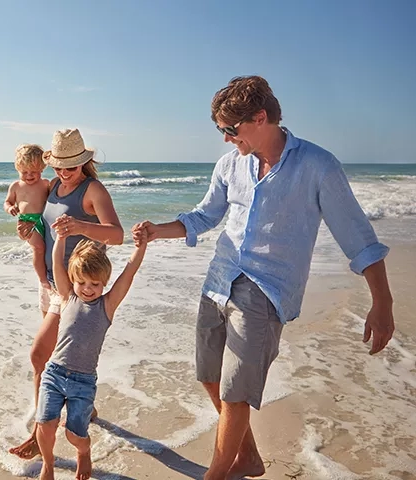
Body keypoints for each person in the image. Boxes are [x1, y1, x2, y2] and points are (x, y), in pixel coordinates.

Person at [133, 75, 396, 480]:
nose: (224, 138)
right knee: (209, 377)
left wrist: (383, 303)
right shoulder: (230, 164)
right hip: (219, 279)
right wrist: (157, 230)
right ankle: (249, 458)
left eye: (230, 129)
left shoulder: (318, 166)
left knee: (235, 392)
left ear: (260, 118)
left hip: (266, 289)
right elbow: (206, 216)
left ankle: (215, 476)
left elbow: (358, 238)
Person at [9, 128, 124, 460]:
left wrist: (81, 227)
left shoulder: (93, 190)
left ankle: (38, 432)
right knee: (60, 356)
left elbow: (116, 234)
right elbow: (45, 224)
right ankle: (85, 410)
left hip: (75, 290)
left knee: (39, 357)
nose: (63, 173)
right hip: (49, 281)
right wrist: (27, 231)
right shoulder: (54, 186)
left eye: (70, 167)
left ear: (84, 164)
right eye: (58, 166)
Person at [35, 222, 147, 480]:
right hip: (54, 373)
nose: (87, 288)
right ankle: (48, 465)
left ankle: (84, 453)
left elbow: (129, 273)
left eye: (95, 284)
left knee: (75, 434)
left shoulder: (107, 305)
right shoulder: (67, 297)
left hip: (83, 381)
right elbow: (58, 263)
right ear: (73, 280)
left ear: (104, 283)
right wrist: (61, 237)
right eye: (82, 282)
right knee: (45, 424)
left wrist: (140, 248)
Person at [4, 144, 52, 289]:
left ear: (42, 169)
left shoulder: (45, 184)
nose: (29, 175)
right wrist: (10, 208)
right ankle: (43, 279)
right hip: (27, 222)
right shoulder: (16, 186)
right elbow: (7, 202)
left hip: (44, 221)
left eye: (34, 172)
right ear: (18, 169)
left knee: (48, 249)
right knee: (38, 248)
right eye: (24, 172)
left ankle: (49, 272)